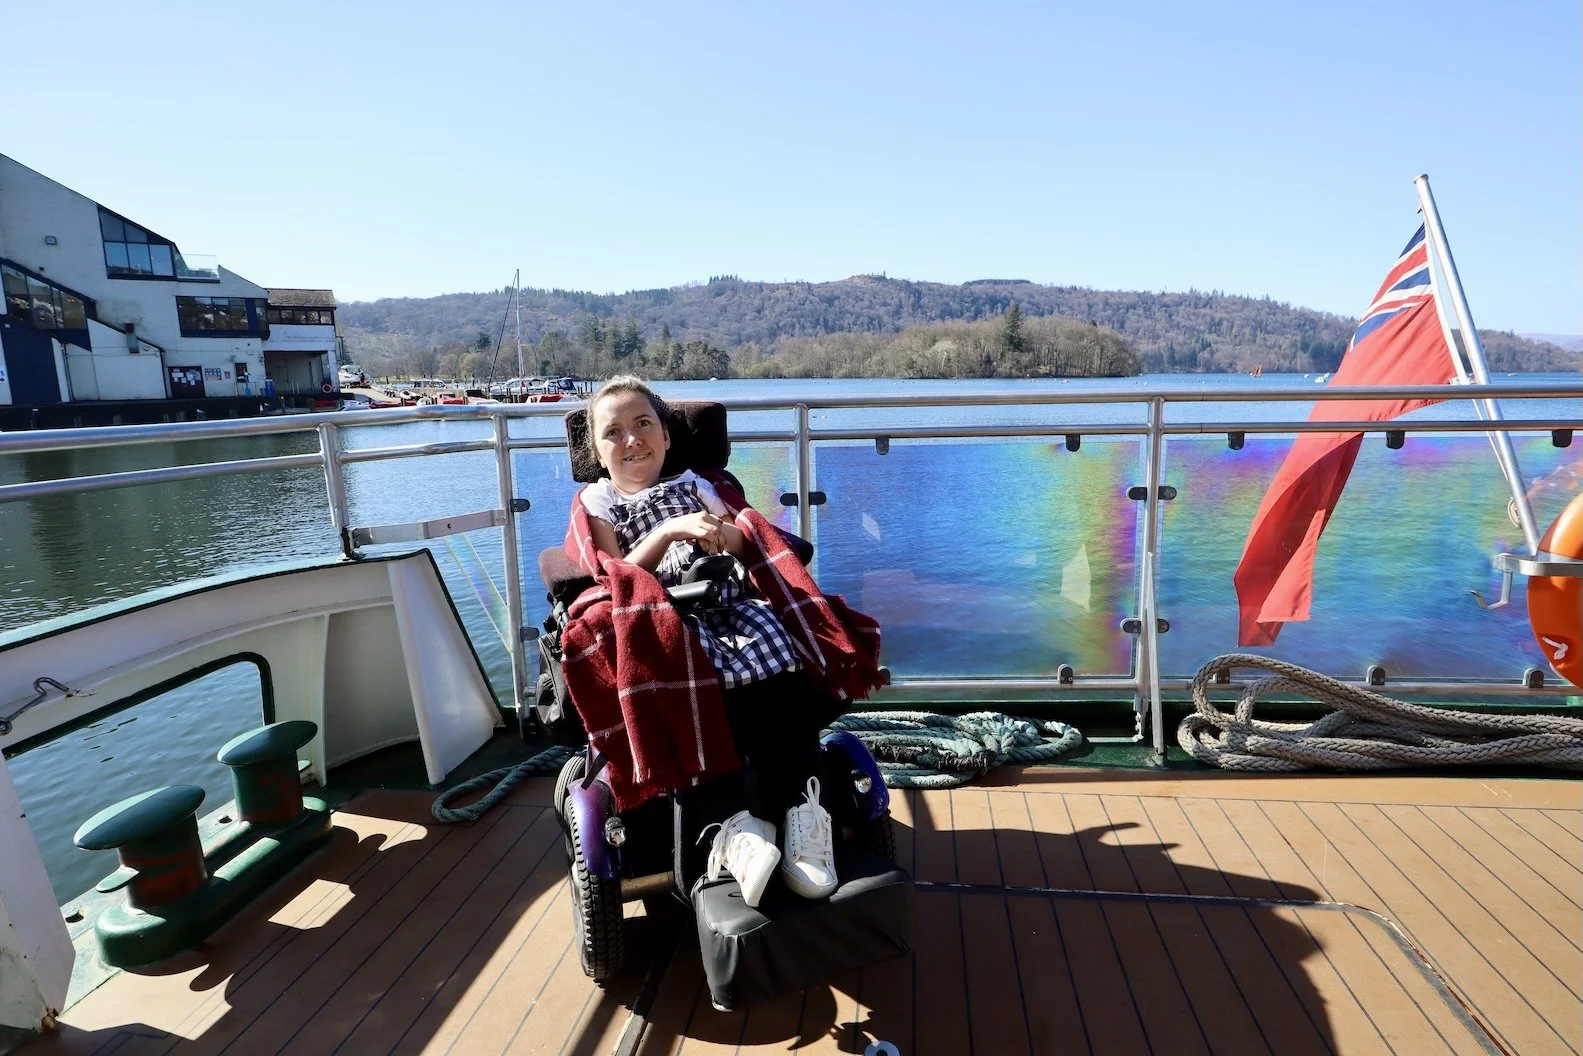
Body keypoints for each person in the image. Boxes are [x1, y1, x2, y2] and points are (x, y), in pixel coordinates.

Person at [577, 375, 842, 906]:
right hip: (663, 614)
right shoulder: (600, 500)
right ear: (598, 454)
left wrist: (723, 532)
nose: (632, 440)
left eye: (643, 424)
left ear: (666, 436)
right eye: (614, 433)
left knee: (782, 656)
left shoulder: (698, 485)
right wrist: (669, 531)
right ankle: (734, 827)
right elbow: (616, 573)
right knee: (693, 670)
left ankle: (802, 812)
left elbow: (747, 542)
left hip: (728, 602)